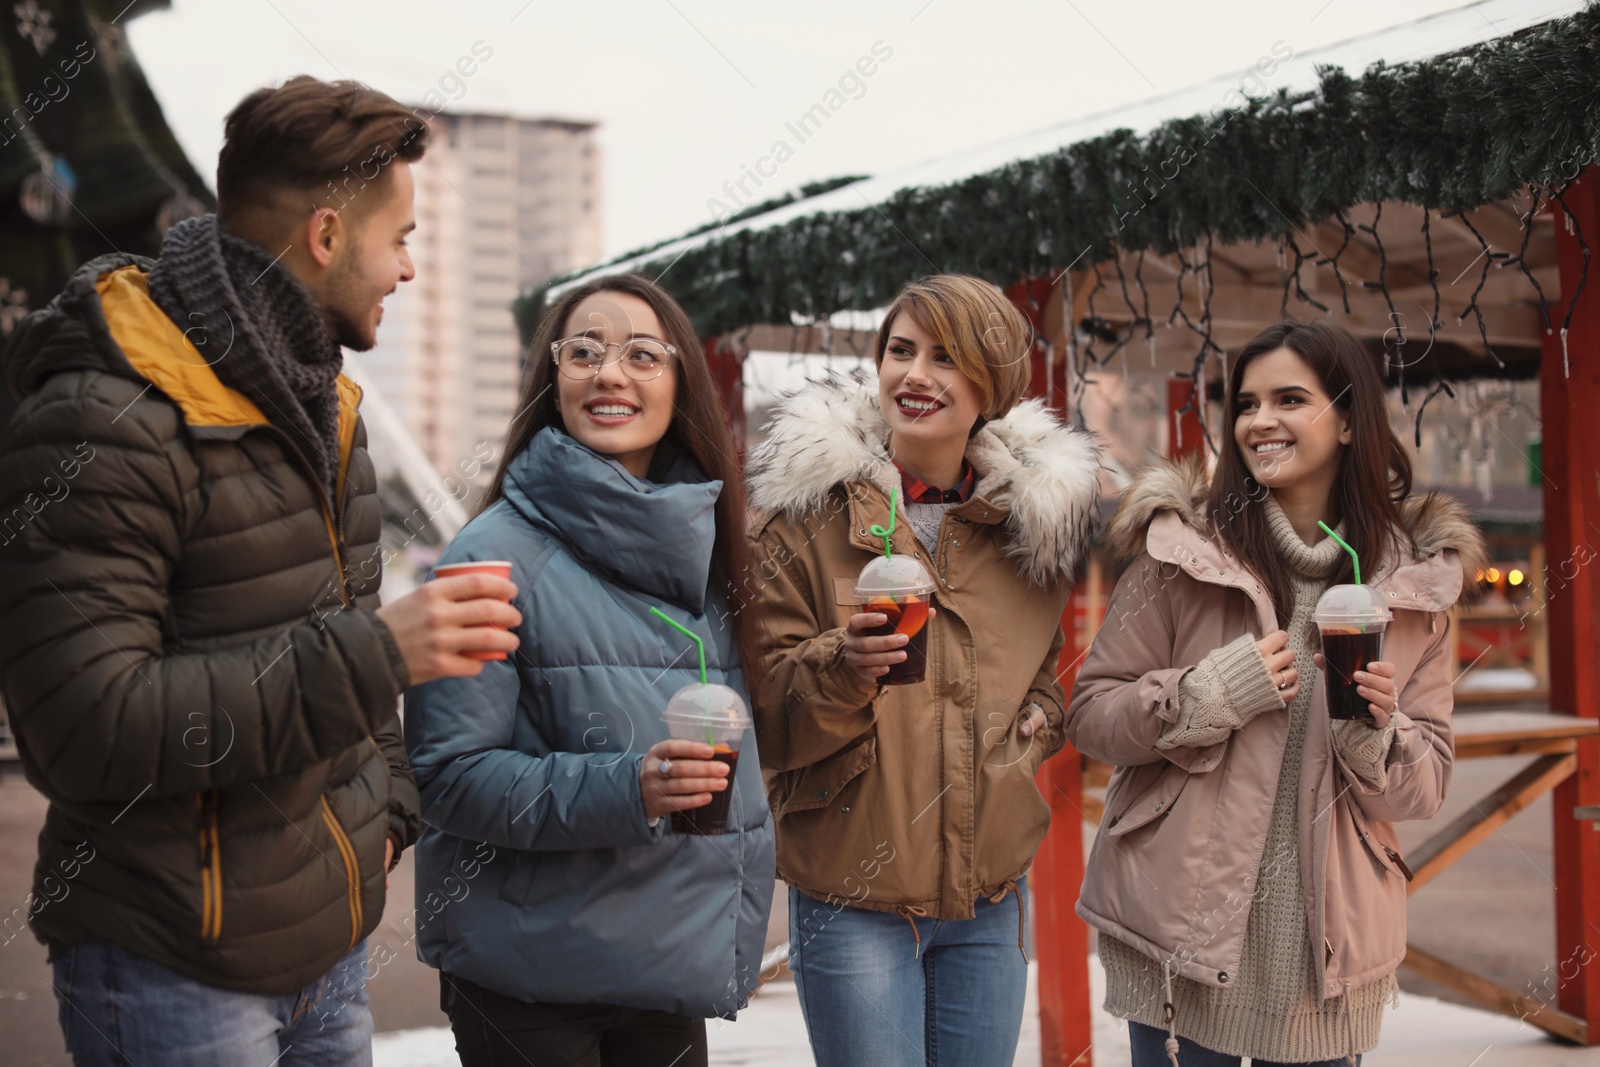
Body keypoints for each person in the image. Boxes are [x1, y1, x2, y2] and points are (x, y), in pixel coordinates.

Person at [0, 77, 522, 1067]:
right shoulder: (100, 415)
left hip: (329, 958)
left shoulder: (327, 404)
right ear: (326, 234)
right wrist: (377, 654)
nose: (409, 268)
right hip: (171, 970)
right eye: (401, 237)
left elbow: (346, 628)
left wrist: (390, 817)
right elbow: (83, 727)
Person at [1066, 318, 1488, 1066]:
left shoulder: (1416, 585)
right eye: (1247, 403)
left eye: (1290, 399)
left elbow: (1425, 785)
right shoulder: (1180, 554)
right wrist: (1202, 694)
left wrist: (1375, 737)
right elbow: (1093, 716)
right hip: (1181, 945)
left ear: (1351, 419)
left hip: (1323, 960)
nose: (1260, 421)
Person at [403, 273, 775, 1067]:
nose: (610, 373)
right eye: (584, 352)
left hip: (665, 966)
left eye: (643, 353)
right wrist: (627, 786)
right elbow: (447, 776)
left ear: (681, 386)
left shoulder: (712, 557)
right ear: (552, 380)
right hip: (529, 982)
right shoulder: (490, 558)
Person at [745, 274, 1101, 1067]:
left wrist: (1039, 720)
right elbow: (764, 712)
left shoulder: (1034, 524)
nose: (916, 375)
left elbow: (1049, 663)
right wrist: (846, 666)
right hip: (855, 898)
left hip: (991, 895)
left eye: (947, 357)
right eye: (900, 351)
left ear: (993, 382)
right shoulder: (804, 515)